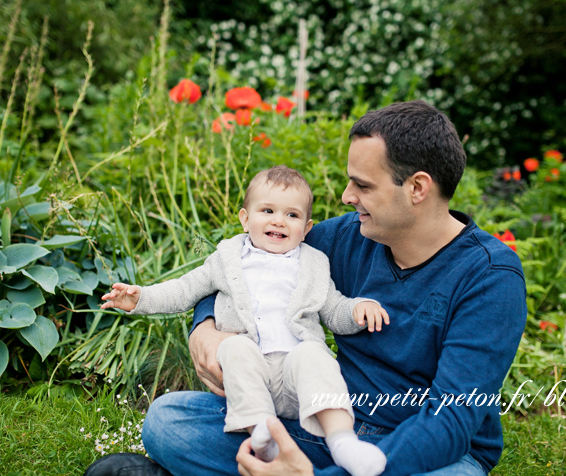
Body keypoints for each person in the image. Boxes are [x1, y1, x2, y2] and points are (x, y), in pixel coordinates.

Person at [86, 100, 528, 476]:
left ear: (416, 188)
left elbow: (452, 422)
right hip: (330, 421)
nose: (346, 196)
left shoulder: (489, 277)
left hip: (429, 453)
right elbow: (247, 262)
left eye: (362, 184)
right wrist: (205, 327)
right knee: (168, 420)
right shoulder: (347, 236)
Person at [98, 166, 389, 476]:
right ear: (245, 218)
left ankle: (343, 442)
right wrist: (141, 298)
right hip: (249, 376)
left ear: (306, 229)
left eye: (292, 216)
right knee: (235, 346)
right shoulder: (227, 258)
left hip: (296, 380)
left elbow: (332, 308)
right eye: (268, 210)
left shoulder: (313, 263)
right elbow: (185, 290)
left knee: (314, 355)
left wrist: (358, 309)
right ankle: (262, 436)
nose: (279, 220)